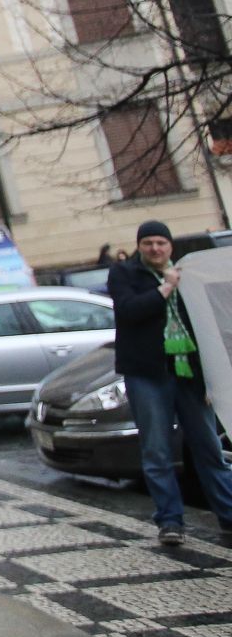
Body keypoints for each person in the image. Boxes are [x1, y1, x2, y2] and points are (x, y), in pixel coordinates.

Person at [109, 220, 232, 547]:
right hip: (147, 375)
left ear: (170, 246)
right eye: (148, 243)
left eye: (161, 243)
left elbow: (210, 327)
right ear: (140, 246)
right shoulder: (124, 275)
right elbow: (129, 311)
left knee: (209, 448)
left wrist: (213, 379)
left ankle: (229, 514)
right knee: (157, 451)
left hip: (189, 375)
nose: (155, 248)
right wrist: (164, 289)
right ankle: (170, 521)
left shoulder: (186, 275)